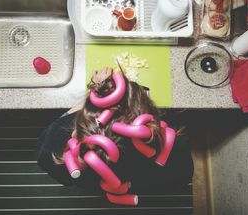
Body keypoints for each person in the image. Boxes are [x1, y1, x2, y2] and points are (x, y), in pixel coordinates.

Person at [37, 67, 193, 204]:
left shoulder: (53, 148)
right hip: (148, 185)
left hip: (93, 183)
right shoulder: (175, 150)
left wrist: (95, 90)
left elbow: (65, 179)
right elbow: (183, 179)